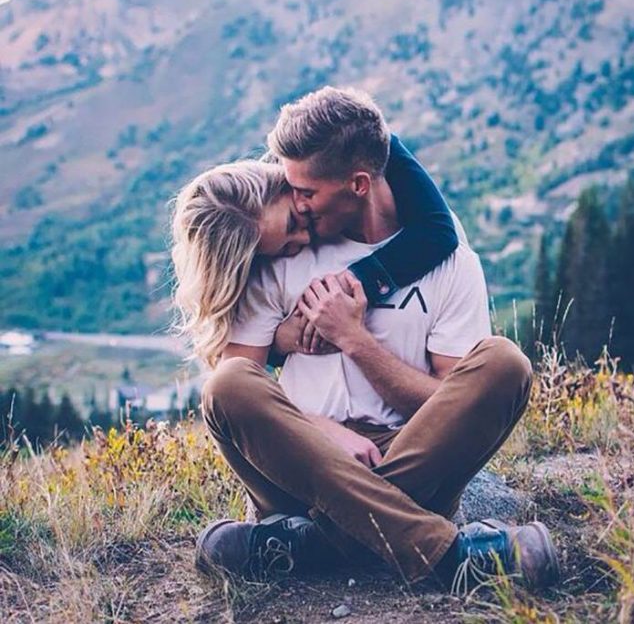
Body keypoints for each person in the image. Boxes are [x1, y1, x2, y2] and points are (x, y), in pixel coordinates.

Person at [174, 87, 560, 593]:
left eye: (305, 195)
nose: (298, 207)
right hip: (299, 467)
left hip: (408, 453)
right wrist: (326, 433)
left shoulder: (448, 258)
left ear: (357, 183)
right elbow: (241, 381)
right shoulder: (269, 255)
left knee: (505, 363)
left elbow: (450, 400)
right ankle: (446, 556)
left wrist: (355, 339)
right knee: (226, 385)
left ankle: (311, 545)